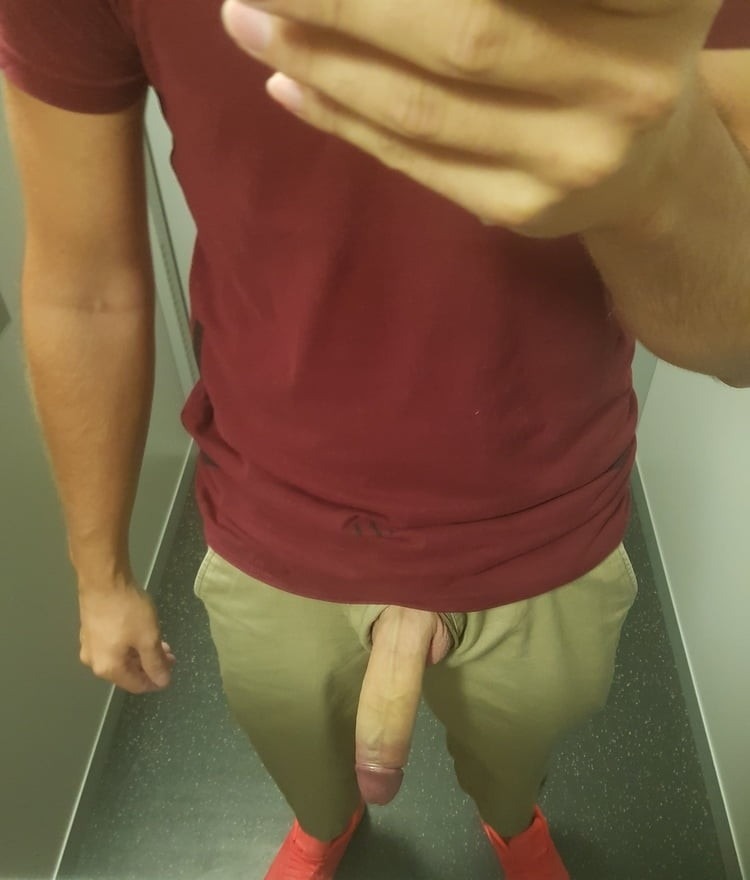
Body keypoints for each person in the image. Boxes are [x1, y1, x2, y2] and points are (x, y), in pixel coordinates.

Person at [1, 1, 748, 878]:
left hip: (546, 512)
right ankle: (325, 826)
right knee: (299, 756)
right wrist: (101, 577)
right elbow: (85, 285)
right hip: (273, 512)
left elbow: (735, 342)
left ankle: (511, 822)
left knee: (514, 762)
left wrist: (653, 170)